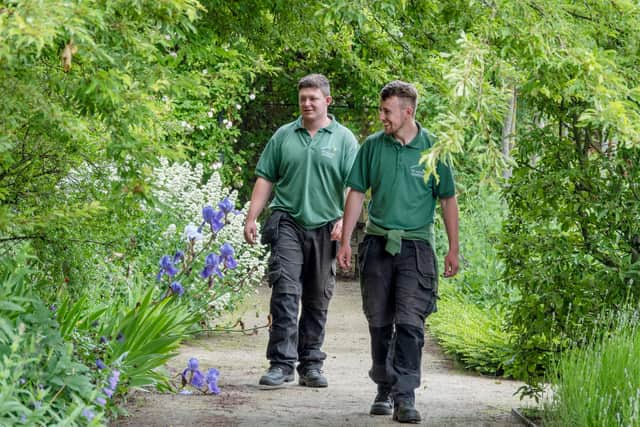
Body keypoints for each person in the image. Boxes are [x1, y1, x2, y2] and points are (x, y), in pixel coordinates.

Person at [337, 80, 459, 423]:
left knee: (410, 323)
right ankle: (384, 389)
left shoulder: (433, 148)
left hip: (416, 246)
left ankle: (405, 396)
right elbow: (357, 192)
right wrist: (345, 240)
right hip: (377, 243)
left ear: (408, 112)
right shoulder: (373, 146)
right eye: (381, 110)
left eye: (387, 111)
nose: (381, 117)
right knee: (379, 321)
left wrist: (454, 249)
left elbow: (448, 199)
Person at [244, 74, 359, 388]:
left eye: (313, 98)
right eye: (303, 99)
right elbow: (266, 178)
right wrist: (251, 217)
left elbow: (355, 187)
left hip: (326, 227)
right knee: (285, 292)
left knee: (317, 297)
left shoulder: (344, 139)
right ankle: (281, 364)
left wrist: (343, 222)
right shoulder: (284, 135)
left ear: (327, 101)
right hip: (288, 222)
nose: (307, 104)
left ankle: (310, 363)